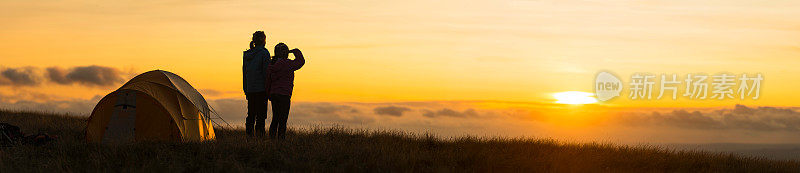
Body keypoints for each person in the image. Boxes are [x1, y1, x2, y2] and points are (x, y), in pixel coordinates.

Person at [267, 43, 305, 139]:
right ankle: (281, 140)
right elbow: (301, 61)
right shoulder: (289, 64)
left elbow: (268, 80)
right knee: (283, 119)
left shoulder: (271, 64)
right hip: (284, 95)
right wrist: (294, 50)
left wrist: (268, 94)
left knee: (275, 118)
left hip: (274, 94)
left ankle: (272, 140)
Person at [242, 31, 271, 137]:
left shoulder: (247, 54)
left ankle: (249, 137)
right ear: (264, 40)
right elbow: (266, 74)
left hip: (250, 89)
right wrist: (269, 89)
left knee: (251, 115)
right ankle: (260, 138)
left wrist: (246, 89)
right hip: (262, 89)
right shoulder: (264, 53)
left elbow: (244, 74)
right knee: (261, 116)